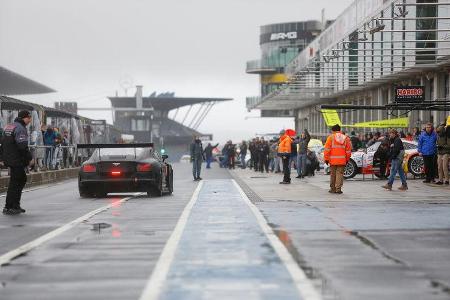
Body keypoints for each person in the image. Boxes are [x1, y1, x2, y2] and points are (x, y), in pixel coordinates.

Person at [1, 110, 33, 215]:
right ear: (24, 118)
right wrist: (29, 158)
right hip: (16, 159)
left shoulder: (9, 127)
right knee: (16, 182)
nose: (30, 120)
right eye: (29, 118)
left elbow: (3, 143)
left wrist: (2, 158)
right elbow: (22, 146)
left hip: (9, 158)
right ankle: (10, 206)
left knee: (19, 180)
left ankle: (14, 205)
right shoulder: (20, 128)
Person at [324, 124, 352, 194]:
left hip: (332, 160)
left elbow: (327, 150)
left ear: (333, 130)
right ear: (339, 130)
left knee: (333, 174)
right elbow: (348, 151)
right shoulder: (346, 138)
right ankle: (338, 189)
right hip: (342, 160)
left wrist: (326, 159)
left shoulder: (330, 138)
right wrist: (347, 159)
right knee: (339, 174)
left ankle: (332, 189)